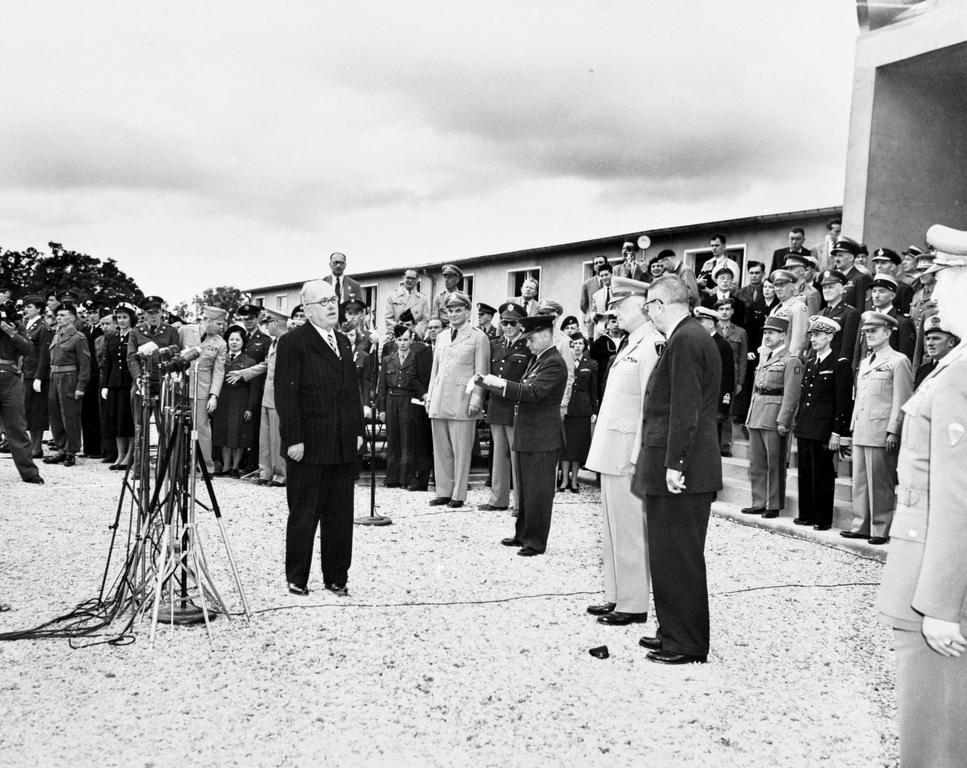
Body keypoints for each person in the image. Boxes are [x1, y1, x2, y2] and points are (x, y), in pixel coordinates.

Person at [876, 228, 967, 768]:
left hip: (934, 576)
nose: (934, 294)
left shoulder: (961, 378)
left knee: (934, 732)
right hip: (928, 558)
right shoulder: (952, 367)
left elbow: (959, 498)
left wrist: (939, 603)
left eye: (949, 279)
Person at [632, 275, 722, 665]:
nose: (648, 313)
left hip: (682, 469)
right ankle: (672, 630)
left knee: (679, 554)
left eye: (650, 305)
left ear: (660, 304)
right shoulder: (688, 336)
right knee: (668, 553)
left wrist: (675, 464)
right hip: (676, 463)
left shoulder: (686, 339)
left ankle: (686, 642)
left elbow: (686, 408)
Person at [275, 279, 364, 597]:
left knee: (340, 514)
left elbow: (352, 392)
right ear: (308, 309)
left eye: (333, 299)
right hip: (309, 444)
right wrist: (293, 439)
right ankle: (297, 576)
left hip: (342, 443)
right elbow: (286, 395)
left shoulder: (342, 341)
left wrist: (358, 432)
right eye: (323, 301)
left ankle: (336, 576)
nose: (331, 305)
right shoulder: (293, 342)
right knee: (304, 512)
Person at [585, 277, 662, 626]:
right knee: (613, 527)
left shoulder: (652, 345)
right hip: (611, 451)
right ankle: (615, 595)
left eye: (619, 306)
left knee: (630, 528)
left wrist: (638, 455)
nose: (614, 313)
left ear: (640, 305)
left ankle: (633, 604)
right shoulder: (631, 344)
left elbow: (650, 406)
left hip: (627, 454)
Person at [478, 314, 568, 556]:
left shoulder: (554, 362)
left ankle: (536, 541)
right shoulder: (539, 359)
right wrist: (491, 383)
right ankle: (523, 534)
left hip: (542, 437)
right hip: (528, 433)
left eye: (531, 339)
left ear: (547, 335)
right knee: (527, 489)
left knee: (538, 491)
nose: (527, 344)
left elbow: (534, 392)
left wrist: (498, 383)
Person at [842, 311, 914, 545]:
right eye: (866, 332)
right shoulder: (865, 362)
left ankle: (880, 528)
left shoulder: (898, 361)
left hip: (881, 429)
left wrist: (894, 429)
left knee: (880, 482)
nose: (868, 336)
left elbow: (902, 399)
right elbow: (861, 397)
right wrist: (853, 425)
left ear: (887, 332)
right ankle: (860, 524)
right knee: (860, 480)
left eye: (873, 331)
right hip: (863, 427)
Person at [425, 291, 489, 508]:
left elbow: (481, 374)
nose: (453, 314)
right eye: (450, 311)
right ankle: (443, 490)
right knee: (441, 449)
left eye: (458, 310)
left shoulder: (478, 337)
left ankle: (458, 494)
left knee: (461, 451)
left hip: (463, 399)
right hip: (440, 399)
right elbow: (435, 370)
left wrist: (476, 400)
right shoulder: (441, 336)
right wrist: (430, 397)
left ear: (467, 312)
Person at [792, 316, 853, 530]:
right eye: (811, 335)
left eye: (817, 335)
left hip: (824, 429)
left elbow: (843, 401)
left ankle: (822, 518)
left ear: (829, 336)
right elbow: (804, 397)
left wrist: (838, 432)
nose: (813, 339)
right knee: (805, 472)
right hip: (807, 425)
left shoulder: (839, 363)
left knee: (823, 475)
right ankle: (806, 514)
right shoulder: (811, 363)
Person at [743, 315, 802, 518]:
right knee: (756, 462)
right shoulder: (765, 358)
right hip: (757, 412)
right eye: (765, 332)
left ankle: (773, 504)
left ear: (783, 335)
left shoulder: (791, 360)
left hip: (774, 415)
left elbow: (792, 393)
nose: (767, 336)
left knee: (774, 463)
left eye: (771, 333)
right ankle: (758, 501)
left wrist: (784, 420)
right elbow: (755, 389)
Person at [479, 302, 531, 512]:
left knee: (516, 455)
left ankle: (520, 503)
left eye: (512, 323)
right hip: (496, 405)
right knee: (499, 454)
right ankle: (498, 499)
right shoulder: (496, 344)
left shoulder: (527, 347)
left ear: (520, 325)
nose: (508, 326)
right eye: (505, 322)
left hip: (516, 406)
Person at [177, 306, 228, 474]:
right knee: (176, 426)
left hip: (202, 389)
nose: (222, 327)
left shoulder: (220, 342)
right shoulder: (185, 330)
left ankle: (206, 467)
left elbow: (219, 371)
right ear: (208, 321)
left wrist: (214, 395)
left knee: (202, 428)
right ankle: (176, 463)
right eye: (219, 323)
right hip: (180, 386)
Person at [376, 325, 426, 488]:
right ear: (395, 341)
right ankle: (391, 477)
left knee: (407, 439)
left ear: (411, 340)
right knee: (393, 439)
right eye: (399, 340)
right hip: (391, 400)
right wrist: (381, 408)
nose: (403, 343)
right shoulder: (388, 359)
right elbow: (382, 385)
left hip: (408, 400)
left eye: (406, 339)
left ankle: (406, 477)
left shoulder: (416, 358)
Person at [42, 303, 91, 467]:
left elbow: (85, 364)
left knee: (70, 416)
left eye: (63, 315)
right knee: (55, 416)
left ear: (72, 317)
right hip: (54, 377)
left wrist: (80, 386)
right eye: (58, 315)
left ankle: (72, 451)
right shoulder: (56, 335)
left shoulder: (78, 337)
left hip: (69, 378)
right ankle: (61, 449)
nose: (59, 317)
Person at [0, 304, 43, 484]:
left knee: (17, 426)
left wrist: (12, 333)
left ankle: (29, 472)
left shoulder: (17, 326)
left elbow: (28, 349)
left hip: (10, 378)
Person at [213, 326, 259, 477]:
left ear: (243, 342)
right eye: (231, 339)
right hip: (223, 399)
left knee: (238, 434)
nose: (234, 342)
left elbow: (254, 388)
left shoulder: (250, 361)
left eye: (237, 340)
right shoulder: (221, 358)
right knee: (224, 433)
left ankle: (235, 467)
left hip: (241, 399)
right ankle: (226, 466)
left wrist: (250, 408)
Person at [100, 302, 140, 470]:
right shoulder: (113, 337)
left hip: (128, 383)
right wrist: (105, 385)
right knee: (115, 420)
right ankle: (120, 454)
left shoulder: (134, 335)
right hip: (114, 383)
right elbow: (107, 362)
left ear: (131, 319)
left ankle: (130, 455)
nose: (122, 321)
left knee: (127, 421)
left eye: (125, 317)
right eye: (119, 318)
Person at [558, 333, 597, 493]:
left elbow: (593, 389)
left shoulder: (591, 364)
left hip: (582, 409)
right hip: (566, 408)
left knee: (578, 447)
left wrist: (594, 410)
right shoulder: (563, 362)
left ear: (585, 346)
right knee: (566, 446)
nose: (577, 346)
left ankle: (574, 480)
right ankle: (564, 479)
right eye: (574, 343)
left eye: (580, 343)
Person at [694, 307, 735, 453]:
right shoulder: (698, 343)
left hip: (713, 403)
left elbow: (728, 378)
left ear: (711, 323)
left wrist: (723, 407)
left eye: (702, 321)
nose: (698, 325)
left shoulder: (723, 346)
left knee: (709, 447)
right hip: (698, 400)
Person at [852, 273, 916, 368]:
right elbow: (858, 352)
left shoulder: (902, 322)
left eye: (882, 291)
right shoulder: (866, 318)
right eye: (874, 291)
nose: (876, 296)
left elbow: (905, 357)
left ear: (892, 296)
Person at [257, 312, 288, 487]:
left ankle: (280, 474)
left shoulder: (287, 341)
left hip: (279, 394)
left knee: (277, 437)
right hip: (268, 393)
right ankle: (265, 471)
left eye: (268, 322)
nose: (266, 326)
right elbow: (266, 365)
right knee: (265, 436)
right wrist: (244, 373)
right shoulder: (274, 343)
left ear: (276, 323)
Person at [715, 297, 747, 456]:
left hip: (731, 378)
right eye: (721, 309)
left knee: (728, 412)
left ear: (732, 311)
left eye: (727, 309)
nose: (724, 312)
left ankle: (724, 447)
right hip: (714, 376)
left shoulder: (740, 332)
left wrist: (740, 381)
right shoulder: (712, 330)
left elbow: (742, 358)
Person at [21, 295, 52, 458]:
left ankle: (37, 446)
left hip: (36, 374)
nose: (26, 309)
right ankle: (33, 444)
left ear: (39, 309)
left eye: (30, 307)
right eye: (25, 307)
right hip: (26, 372)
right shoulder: (27, 325)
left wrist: (39, 376)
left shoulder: (43, 328)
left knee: (37, 411)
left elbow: (44, 355)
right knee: (28, 410)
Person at [818, 269, 861, 359]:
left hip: (835, 365)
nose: (827, 291)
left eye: (831, 287)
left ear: (841, 289)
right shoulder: (820, 314)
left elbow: (847, 348)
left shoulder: (851, 313)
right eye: (824, 287)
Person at [768, 269, 808, 358]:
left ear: (792, 287)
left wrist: (790, 361)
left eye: (782, 285)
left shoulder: (799, 307)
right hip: (771, 361)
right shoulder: (774, 309)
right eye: (776, 285)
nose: (778, 289)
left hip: (785, 361)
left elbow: (798, 340)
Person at [914, 313, 959, 388]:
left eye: (936, 338)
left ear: (951, 342)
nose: (930, 343)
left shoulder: (959, 369)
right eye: (928, 339)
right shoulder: (922, 370)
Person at [385, 268, 430, 337]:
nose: (410, 280)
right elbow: (389, 318)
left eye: (413, 278)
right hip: (396, 335)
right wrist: (399, 331)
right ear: (403, 278)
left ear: (417, 280)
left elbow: (425, 319)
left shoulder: (423, 299)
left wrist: (415, 332)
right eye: (408, 278)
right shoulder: (392, 297)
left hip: (414, 335)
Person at [831, 237, 872, 309]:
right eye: (835, 256)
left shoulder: (861, 278)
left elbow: (860, 307)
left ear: (851, 258)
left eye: (840, 255)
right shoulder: (833, 277)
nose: (836, 259)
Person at [588, 313, 621, 399]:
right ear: (608, 324)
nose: (616, 324)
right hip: (604, 380)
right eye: (613, 322)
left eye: (618, 321)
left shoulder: (627, 340)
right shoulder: (600, 342)